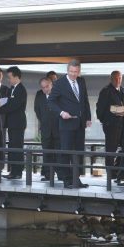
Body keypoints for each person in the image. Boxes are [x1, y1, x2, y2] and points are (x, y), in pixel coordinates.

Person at [48, 60, 92, 189]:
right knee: (65, 152)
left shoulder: (81, 81)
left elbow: (85, 100)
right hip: (66, 123)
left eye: (76, 72)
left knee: (78, 152)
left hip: (80, 122)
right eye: (72, 72)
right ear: (67, 70)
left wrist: (88, 117)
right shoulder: (59, 83)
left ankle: (76, 179)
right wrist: (61, 112)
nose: (74, 74)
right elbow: (51, 102)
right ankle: (67, 180)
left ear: (79, 71)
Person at [96, 71, 124, 180]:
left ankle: (118, 170)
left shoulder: (123, 90)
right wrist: (107, 120)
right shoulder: (106, 91)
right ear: (111, 79)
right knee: (111, 149)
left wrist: (121, 110)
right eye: (116, 78)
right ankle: (110, 173)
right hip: (111, 125)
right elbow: (100, 109)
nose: (118, 80)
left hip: (123, 124)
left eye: (120, 78)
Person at [1, 66, 27, 179]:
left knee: (17, 147)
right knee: (12, 146)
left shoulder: (21, 89)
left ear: (16, 77)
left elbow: (13, 105)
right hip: (11, 123)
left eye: (10, 77)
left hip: (17, 123)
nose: (9, 80)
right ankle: (13, 171)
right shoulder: (11, 89)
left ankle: (17, 172)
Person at [34, 77, 60, 181]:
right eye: (43, 87)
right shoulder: (39, 95)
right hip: (45, 128)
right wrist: (45, 121)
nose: (45, 89)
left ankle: (61, 175)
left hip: (58, 129)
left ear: (51, 85)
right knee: (47, 153)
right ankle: (49, 175)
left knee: (59, 153)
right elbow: (37, 110)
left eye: (47, 86)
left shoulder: (58, 94)